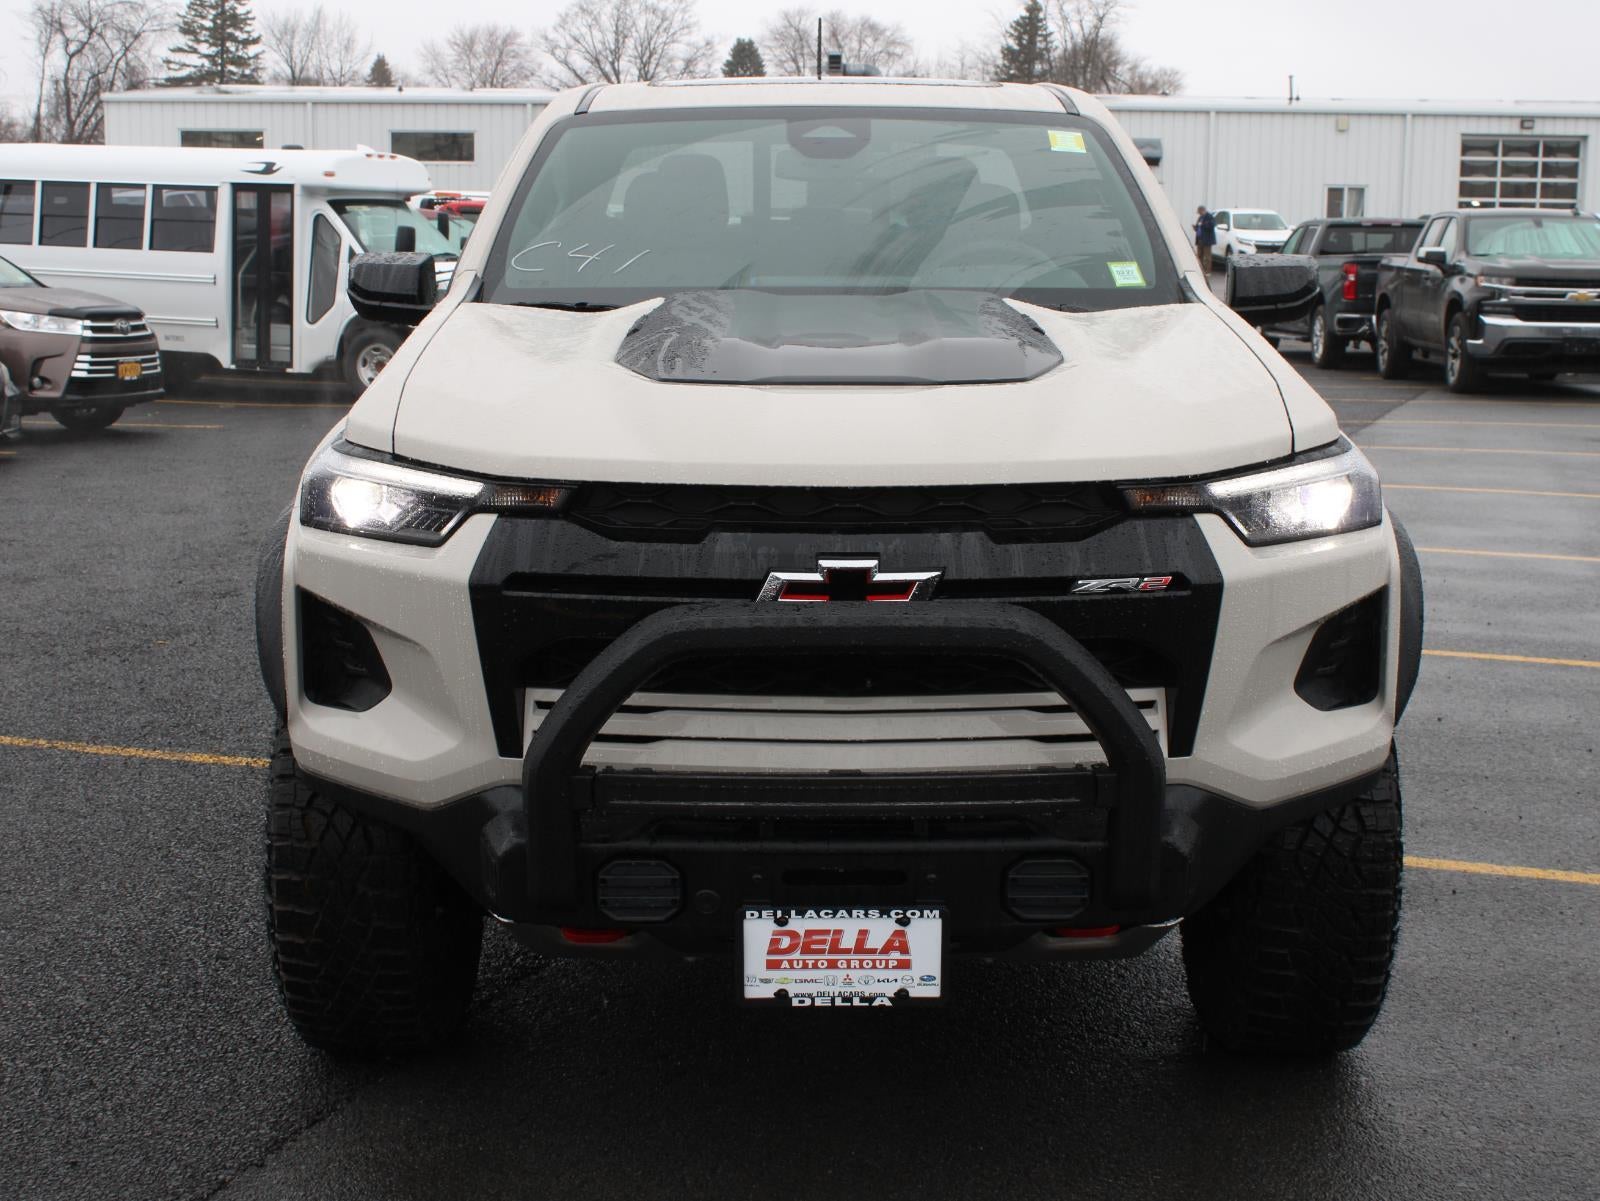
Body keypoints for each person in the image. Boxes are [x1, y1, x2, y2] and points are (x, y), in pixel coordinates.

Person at [1194, 206, 1217, 274]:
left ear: (1203, 210)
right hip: (1199, 239)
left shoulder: (1209, 217)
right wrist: (1196, 228)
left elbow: (1213, 225)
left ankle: (1207, 271)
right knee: (1199, 255)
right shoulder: (1200, 218)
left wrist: (1204, 225)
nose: (1199, 214)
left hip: (1207, 240)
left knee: (1207, 257)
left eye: (1199, 212)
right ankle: (1200, 270)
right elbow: (1198, 226)